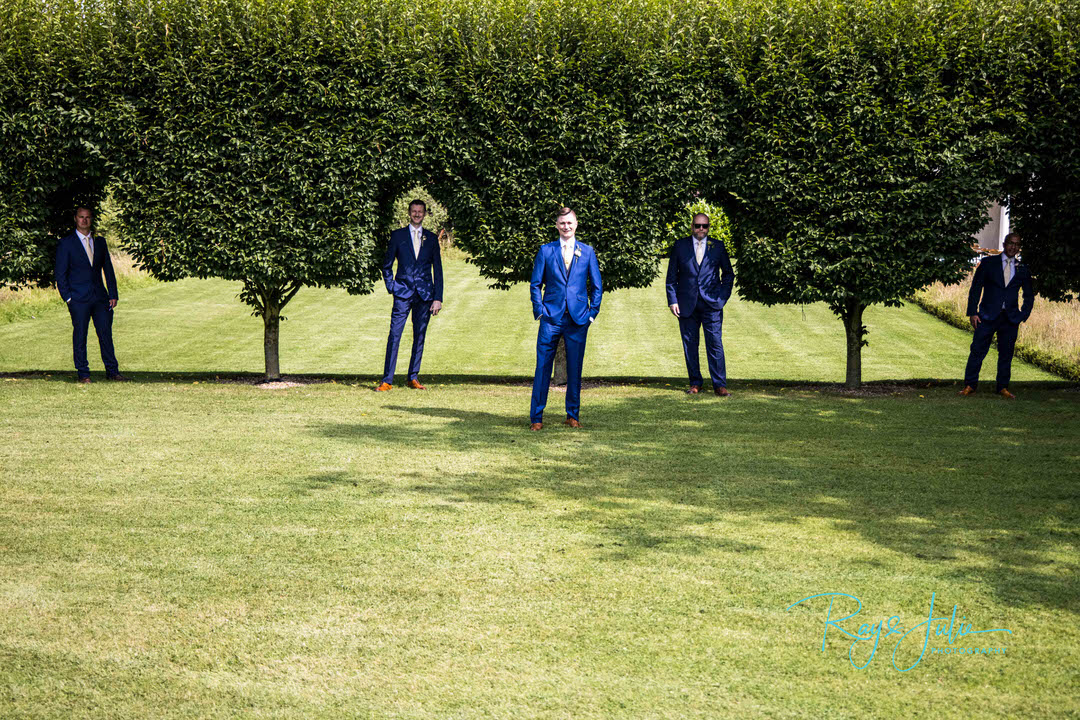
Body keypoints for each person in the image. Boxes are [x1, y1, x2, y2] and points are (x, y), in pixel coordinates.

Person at [528, 207, 603, 430]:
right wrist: (540, 310)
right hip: (550, 318)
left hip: (578, 320)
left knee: (575, 369)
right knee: (542, 368)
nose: (566, 226)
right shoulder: (546, 251)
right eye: (562, 223)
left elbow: (597, 286)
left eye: (569, 223)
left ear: (576, 224)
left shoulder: (587, 251)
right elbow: (535, 284)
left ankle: (573, 415)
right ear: (557, 226)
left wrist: (591, 314)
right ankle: (536, 418)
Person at [54, 207, 128, 384]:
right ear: (75, 219)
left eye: (87, 217)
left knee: (105, 335)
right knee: (80, 336)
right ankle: (83, 374)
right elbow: (60, 274)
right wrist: (68, 298)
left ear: (91, 219)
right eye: (81, 217)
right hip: (78, 299)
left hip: (100, 298)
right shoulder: (66, 243)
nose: (84, 220)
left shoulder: (100, 242)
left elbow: (108, 270)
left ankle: (112, 371)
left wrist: (113, 294)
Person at [377, 199, 443, 391]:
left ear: (424, 214)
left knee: (419, 336)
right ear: (409, 212)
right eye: (414, 211)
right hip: (402, 293)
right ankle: (387, 380)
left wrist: (437, 298)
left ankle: (413, 377)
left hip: (425, 295)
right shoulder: (397, 236)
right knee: (395, 334)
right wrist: (392, 287)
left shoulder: (431, 239)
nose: (416, 214)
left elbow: (437, 270)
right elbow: (387, 265)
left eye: (420, 211)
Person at [665, 213, 735, 396]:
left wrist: (722, 297)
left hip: (712, 304)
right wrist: (672, 300)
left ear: (709, 227)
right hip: (686, 304)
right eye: (697, 226)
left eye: (704, 226)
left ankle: (719, 385)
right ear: (692, 226)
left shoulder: (717, 246)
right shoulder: (680, 246)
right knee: (690, 345)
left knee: (715, 344)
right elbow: (671, 276)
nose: (701, 229)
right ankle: (695, 383)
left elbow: (728, 274)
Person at [959, 233, 1034, 399]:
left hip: (1010, 318)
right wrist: (972, 312)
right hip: (986, 316)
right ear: (1004, 243)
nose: (1013, 247)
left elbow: (1029, 295)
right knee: (977, 351)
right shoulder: (988, 263)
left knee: (1006, 354)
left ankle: (1002, 387)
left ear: (1019, 247)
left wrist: (1023, 314)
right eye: (1010, 243)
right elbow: (976, 288)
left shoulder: (1022, 268)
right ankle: (970, 385)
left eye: (1017, 244)